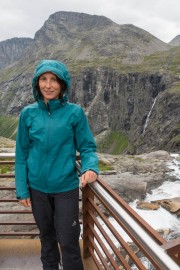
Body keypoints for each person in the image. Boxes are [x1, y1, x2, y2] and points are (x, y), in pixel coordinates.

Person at [15, 59, 99, 270]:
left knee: (69, 240)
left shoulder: (74, 113)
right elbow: (22, 154)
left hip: (66, 189)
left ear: (63, 84)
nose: (48, 85)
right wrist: (22, 189)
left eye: (54, 80)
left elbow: (88, 147)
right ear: (37, 83)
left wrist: (90, 167)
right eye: (43, 79)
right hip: (37, 189)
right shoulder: (28, 114)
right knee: (47, 237)